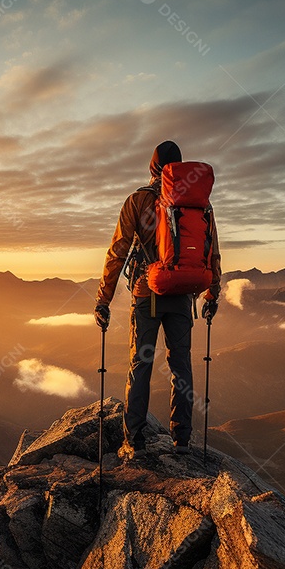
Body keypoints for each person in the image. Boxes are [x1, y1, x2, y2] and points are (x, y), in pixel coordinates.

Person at [94, 141, 221, 456]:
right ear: (178, 168)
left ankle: (134, 440)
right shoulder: (197, 204)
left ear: (153, 167)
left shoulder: (138, 201)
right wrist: (212, 293)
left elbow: (118, 252)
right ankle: (182, 440)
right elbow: (212, 252)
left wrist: (103, 300)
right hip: (182, 295)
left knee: (142, 364)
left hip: (147, 293)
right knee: (181, 365)